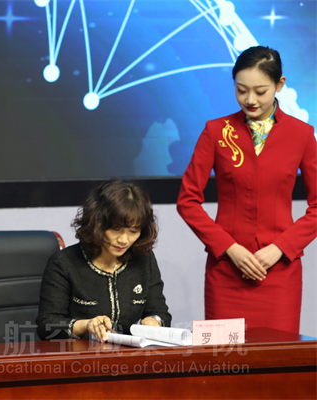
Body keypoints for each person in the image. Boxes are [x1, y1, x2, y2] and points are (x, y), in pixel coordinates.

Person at [177, 46, 317, 334]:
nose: (250, 100)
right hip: (227, 271)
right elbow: (187, 201)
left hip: (279, 273)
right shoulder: (216, 131)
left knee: (278, 357)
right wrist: (230, 248)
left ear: (280, 84)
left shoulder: (301, 134)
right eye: (241, 90)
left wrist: (280, 248)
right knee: (223, 358)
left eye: (260, 91)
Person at [37, 180, 171, 341]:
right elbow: (47, 324)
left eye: (133, 231)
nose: (124, 240)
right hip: (81, 353)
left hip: (129, 353)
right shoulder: (64, 263)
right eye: (116, 229)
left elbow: (161, 313)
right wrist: (86, 325)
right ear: (97, 224)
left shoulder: (144, 260)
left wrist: (154, 321)